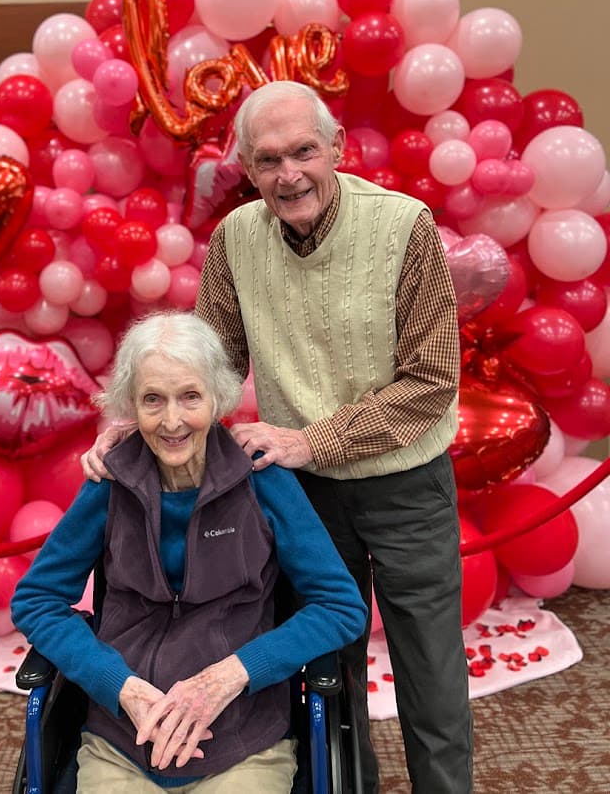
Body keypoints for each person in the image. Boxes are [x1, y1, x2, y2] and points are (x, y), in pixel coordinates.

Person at [83, 80, 473, 793]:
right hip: (302, 491)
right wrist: (139, 423)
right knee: (326, 674)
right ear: (247, 167)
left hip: (406, 483)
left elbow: (430, 381)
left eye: (304, 152)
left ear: (337, 148)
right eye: (268, 160)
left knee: (432, 673)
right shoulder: (235, 239)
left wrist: (312, 440)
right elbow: (212, 367)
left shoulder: (404, 226)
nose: (289, 174)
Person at [12, 310, 367, 792]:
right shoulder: (110, 483)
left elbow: (340, 607)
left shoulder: (263, 481)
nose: (172, 420)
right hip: (122, 738)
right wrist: (120, 687)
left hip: (243, 739)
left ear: (218, 396)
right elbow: (36, 600)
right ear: (131, 405)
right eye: (152, 400)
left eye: (190, 397)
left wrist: (230, 676)